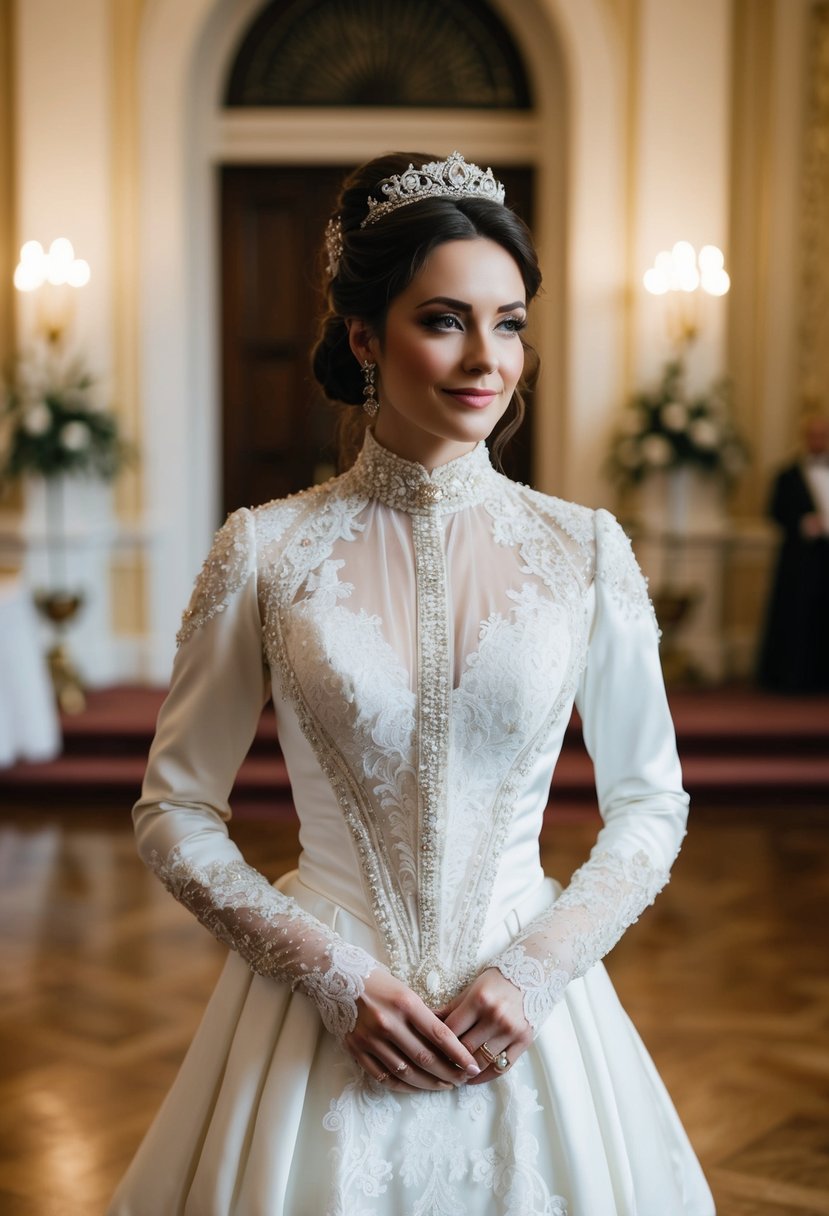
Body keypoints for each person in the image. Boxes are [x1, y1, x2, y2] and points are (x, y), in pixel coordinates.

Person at [109, 152, 714, 1215]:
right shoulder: (266, 550)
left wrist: (537, 971)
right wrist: (328, 974)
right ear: (362, 337)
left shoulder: (584, 550)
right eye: (445, 320)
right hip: (316, 1022)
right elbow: (174, 812)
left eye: (510, 321)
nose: (487, 358)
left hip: (527, 1016)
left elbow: (650, 799)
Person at [758, 412, 829, 693]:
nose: (818, 440)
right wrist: (802, 522)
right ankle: (791, 678)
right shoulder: (787, 475)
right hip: (799, 560)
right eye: (814, 435)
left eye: (823, 435)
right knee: (796, 618)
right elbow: (774, 511)